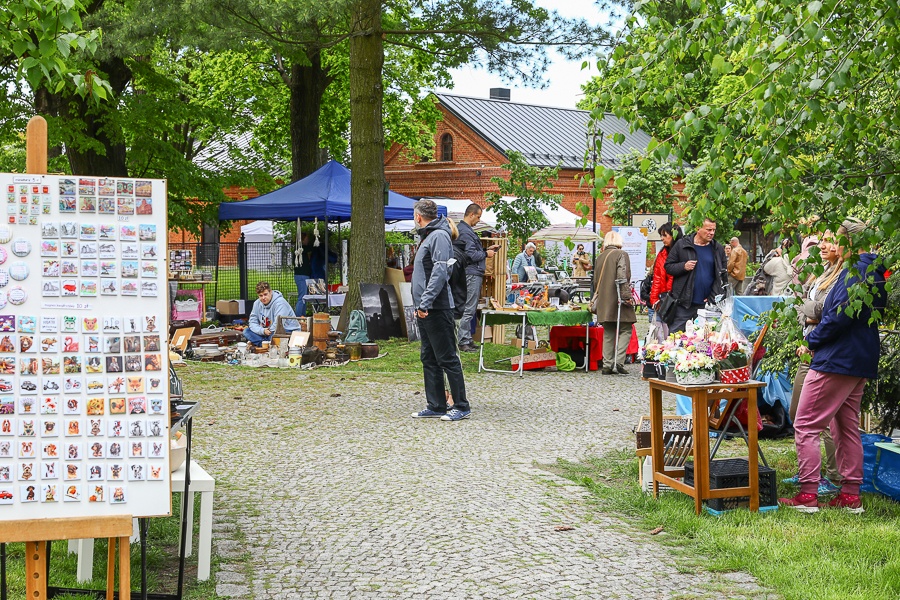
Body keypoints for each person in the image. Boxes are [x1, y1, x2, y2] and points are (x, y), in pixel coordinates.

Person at [780, 218, 886, 513]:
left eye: (838, 240)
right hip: (859, 359)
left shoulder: (854, 271)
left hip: (836, 359)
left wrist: (812, 341)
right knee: (846, 426)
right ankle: (851, 496)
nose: (833, 245)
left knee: (805, 425)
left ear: (850, 242)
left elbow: (837, 316)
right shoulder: (874, 271)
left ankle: (808, 494)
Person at [782, 231, 845, 494]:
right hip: (808, 349)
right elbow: (803, 307)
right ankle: (809, 471)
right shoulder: (821, 272)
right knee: (797, 412)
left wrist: (811, 310)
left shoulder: (842, 277)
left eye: (830, 242)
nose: (824, 246)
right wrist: (809, 312)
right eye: (821, 242)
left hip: (826, 352)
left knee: (827, 421)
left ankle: (833, 479)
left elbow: (825, 313)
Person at [409, 199, 470, 422]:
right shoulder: (429, 235)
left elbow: (439, 272)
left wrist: (425, 302)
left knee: (447, 358)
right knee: (429, 357)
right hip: (425, 307)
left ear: (418, 217)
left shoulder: (439, 236)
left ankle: (461, 406)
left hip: (437, 307)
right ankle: (436, 404)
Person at [664, 217, 727, 333]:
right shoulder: (682, 245)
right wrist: (683, 266)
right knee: (675, 338)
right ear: (698, 228)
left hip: (707, 305)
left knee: (706, 340)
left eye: (714, 230)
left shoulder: (717, 248)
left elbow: (722, 276)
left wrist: (713, 297)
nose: (712, 233)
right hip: (684, 303)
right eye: (708, 229)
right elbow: (668, 266)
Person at [454, 204, 499, 353]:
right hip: (471, 273)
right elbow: (471, 255)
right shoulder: (466, 232)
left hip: (472, 272)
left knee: (470, 307)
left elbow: (471, 252)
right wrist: (486, 254)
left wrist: (486, 250)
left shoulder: (465, 230)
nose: (479, 220)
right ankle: (463, 340)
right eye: (478, 217)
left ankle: (466, 339)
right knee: (468, 307)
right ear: (471, 214)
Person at [592, 231, 636, 374]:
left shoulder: (600, 257)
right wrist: (627, 297)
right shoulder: (621, 254)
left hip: (604, 300)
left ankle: (607, 364)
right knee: (626, 329)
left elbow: (595, 281)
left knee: (609, 331)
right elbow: (622, 277)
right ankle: (619, 361)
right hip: (618, 299)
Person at [293, 231, 336, 317]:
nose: (308, 241)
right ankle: (298, 316)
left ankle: (302, 315)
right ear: (302, 240)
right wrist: (318, 244)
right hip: (302, 276)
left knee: (304, 296)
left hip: (302, 276)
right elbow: (312, 248)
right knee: (302, 297)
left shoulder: (300, 250)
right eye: (307, 239)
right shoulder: (301, 249)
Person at [244, 281, 296, 348]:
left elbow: (278, 324)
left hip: (285, 330)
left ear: (270, 292)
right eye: (260, 295)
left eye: (265, 294)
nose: (263, 298)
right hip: (266, 331)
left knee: (274, 335)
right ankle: (267, 344)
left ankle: (265, 344)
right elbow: (252, 322)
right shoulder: (257, 303)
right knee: (246, 331)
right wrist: (262, 331)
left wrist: (268, 331)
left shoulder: (280, 303)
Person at [648, 223, 681, 321]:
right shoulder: (662, 254)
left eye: (664, 235)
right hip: (664, 299)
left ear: (673, 235)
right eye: (661, 235)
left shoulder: (682, 252)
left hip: (679, 299)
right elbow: (657, 278)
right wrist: (654, 299)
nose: (662, 238)